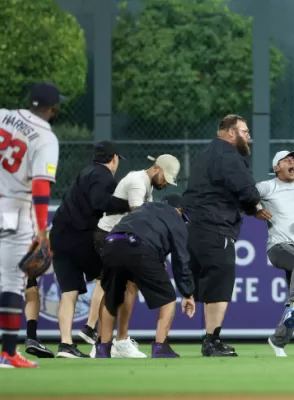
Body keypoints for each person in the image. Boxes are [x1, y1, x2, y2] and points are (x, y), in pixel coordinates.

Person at [0, 82, 63, 368]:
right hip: (14, 210)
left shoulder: (3, 116)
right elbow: (41, 185)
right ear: (52, 109)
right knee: (13, 282)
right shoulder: (46, 137)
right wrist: (42, 230)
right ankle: (7, 353)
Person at [87, 154, 181, 358]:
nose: (166, 183)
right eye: (166, 177)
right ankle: (103, 342)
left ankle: (117, 341)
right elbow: (142, 220)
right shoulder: (138, 183)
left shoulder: (147, 186)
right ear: (156, 168)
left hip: (123, 240)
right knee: (111, 289)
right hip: (113, 238)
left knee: (127, 288)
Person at [182, 114, 261, 357]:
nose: (249, 137)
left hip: (193, 228)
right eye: (245, 132)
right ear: (231, 133)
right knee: (220, 285)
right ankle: (212, 340)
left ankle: (172, 340)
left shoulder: (203, 156)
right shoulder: (229, 156)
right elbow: (249, 193)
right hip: (217, 227)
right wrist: (254, 207)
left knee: (202, 284)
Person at [49, 141, 132, 358]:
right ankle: (97, 335)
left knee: (69, 291)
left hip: (59, 235)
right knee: (109, 278)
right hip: (80, 236)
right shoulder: (103, 175)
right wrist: (129, 205)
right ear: (113, 158)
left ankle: (66, 344)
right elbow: (100, 203)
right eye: (118, 160)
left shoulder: (85, 172)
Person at [94, 193, 195, 359]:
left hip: (111, 243)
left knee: (111, 295)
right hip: (139, 247)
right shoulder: (175, 218)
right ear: (179, 210)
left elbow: (147, 230)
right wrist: (187, 292)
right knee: (168, 297)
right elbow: (181, 260)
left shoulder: (143, 208)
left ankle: (103, 348)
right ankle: (160, 347)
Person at [253, 150, 294, 357]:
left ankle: (278, 341)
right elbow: (246, 196)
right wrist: (256, 208)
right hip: (278, 246)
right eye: (286, 160)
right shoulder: (267, 186)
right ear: (276, 168)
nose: (292, 162)